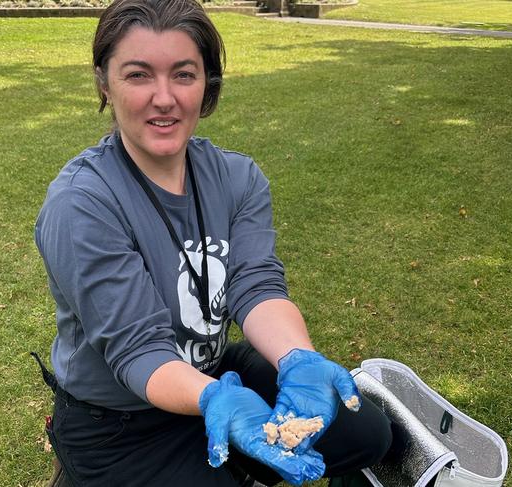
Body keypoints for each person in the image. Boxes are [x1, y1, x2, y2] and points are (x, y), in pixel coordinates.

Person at [33, 0, 393, 485]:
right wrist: (213, 400)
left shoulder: (237, 177)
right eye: (139, 75)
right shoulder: (82, 203)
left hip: (215, 371)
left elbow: (256, 285)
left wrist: (296, 357)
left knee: (366, 433)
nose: (164, 98)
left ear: (207, 85)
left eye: (183, 74)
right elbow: (137, 349)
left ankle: (240, 457)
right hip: (118, 421)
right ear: (104, 82)